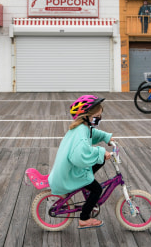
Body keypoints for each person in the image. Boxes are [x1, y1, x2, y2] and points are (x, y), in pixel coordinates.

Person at [48, 95, 113, 229]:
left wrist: (106, 137)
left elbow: (92, 134)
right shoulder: (80, 134)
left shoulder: (83, 128)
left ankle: (86, 184)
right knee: (97, 190)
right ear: (86, 116)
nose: (99, 118)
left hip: (71, 168)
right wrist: (101, 152)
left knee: (100, 161)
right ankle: (84, 218)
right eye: (97, 115)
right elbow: (80, 155)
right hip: (72, 172)